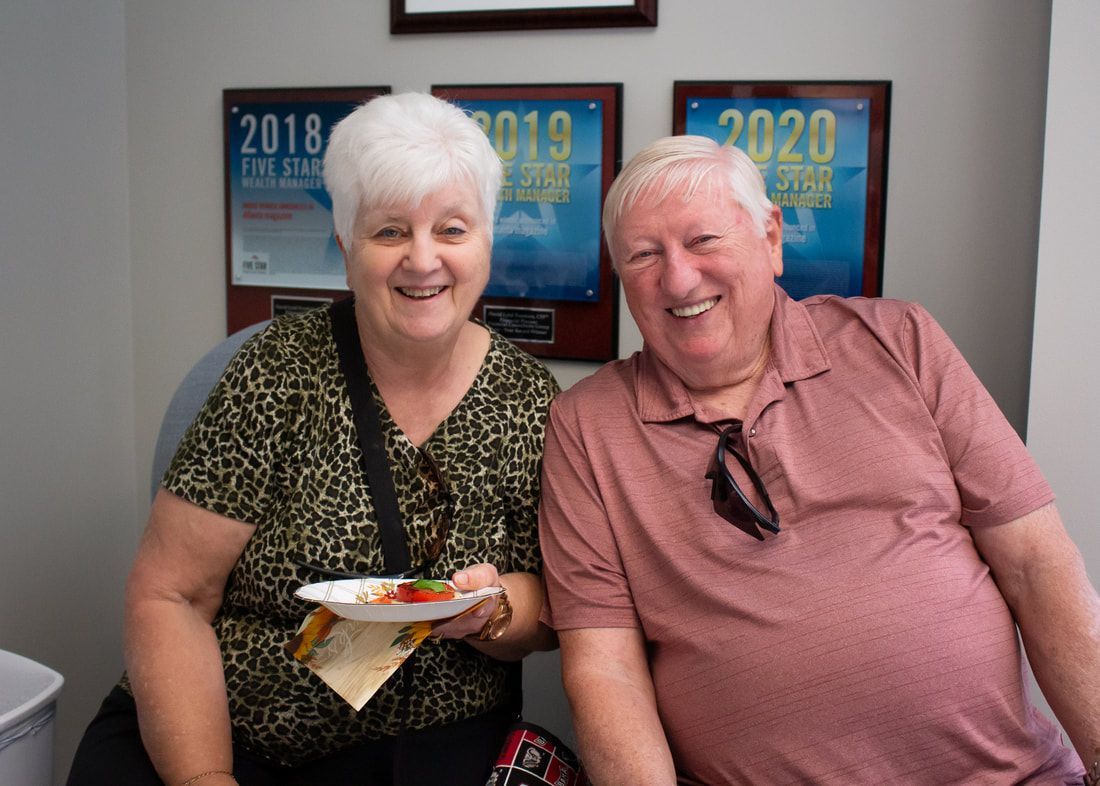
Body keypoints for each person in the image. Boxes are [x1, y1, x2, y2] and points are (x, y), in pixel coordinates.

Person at [538, 135, 1100, 785]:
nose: (678, 278)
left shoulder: (902, 342)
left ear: (771, 237)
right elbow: (605, 670)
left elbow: (1041, 568)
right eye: (643, 255)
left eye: (703, 241)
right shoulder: (586, 426)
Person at [68, 92, 560, 786]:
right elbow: (169, 598)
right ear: (344, 246)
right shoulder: (276, 372)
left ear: (487, 239)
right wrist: (205, 778)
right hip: (230, 733)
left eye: (452, 229)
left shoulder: (529, 400)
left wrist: (492, 609)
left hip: (431, 743)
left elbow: (555, 614)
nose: (423, 261)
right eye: (390, 232)